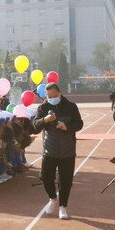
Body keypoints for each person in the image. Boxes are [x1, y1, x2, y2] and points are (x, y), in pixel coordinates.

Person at [31, 83, 83, 219]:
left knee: (66, 180)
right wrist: (44, 120)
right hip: (50, 149)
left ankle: (63, 207)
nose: (52, 98)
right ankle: (53, 198)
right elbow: (35, 127)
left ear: (60, 93)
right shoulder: (43, 107)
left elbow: (79, 124)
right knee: (45, 177)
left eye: (54, 95)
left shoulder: (71, 106)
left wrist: (67, 126)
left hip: (68, 150)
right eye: (49, 97)